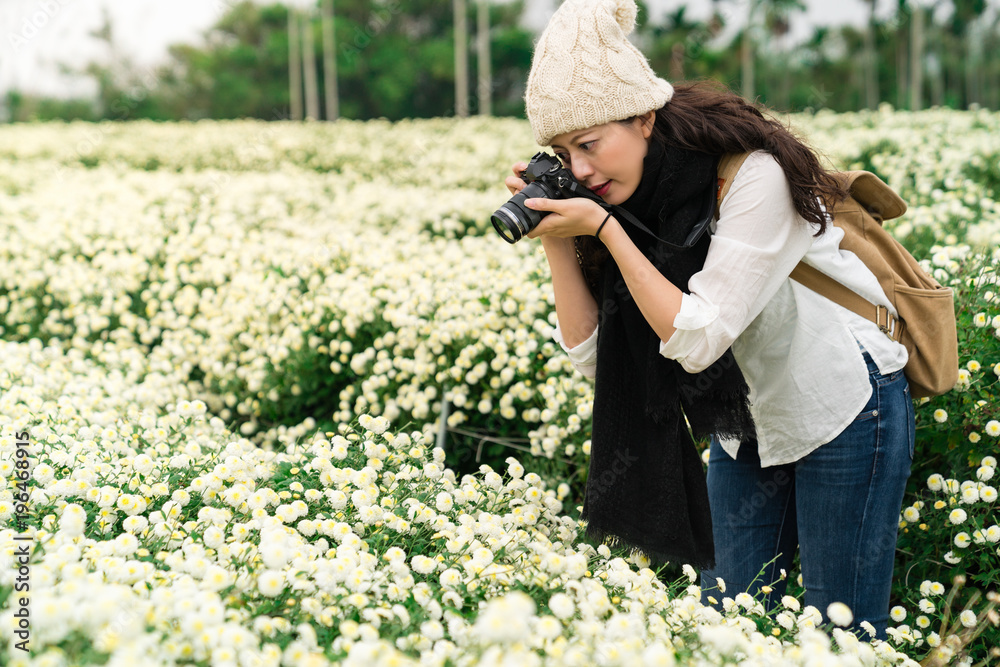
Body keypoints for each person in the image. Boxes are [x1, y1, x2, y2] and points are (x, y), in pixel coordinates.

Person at [504, 0, 915, 640]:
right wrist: (557, 234)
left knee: (844, 630)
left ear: (644, 118)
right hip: (741, 412)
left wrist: (608, 233)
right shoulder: (630, 197)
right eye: (561, 153)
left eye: (588, 144)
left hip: (841, 396)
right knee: (731, 627)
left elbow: (696, 339)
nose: (579, 169)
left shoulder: (754, 175)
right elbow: (595, 356)